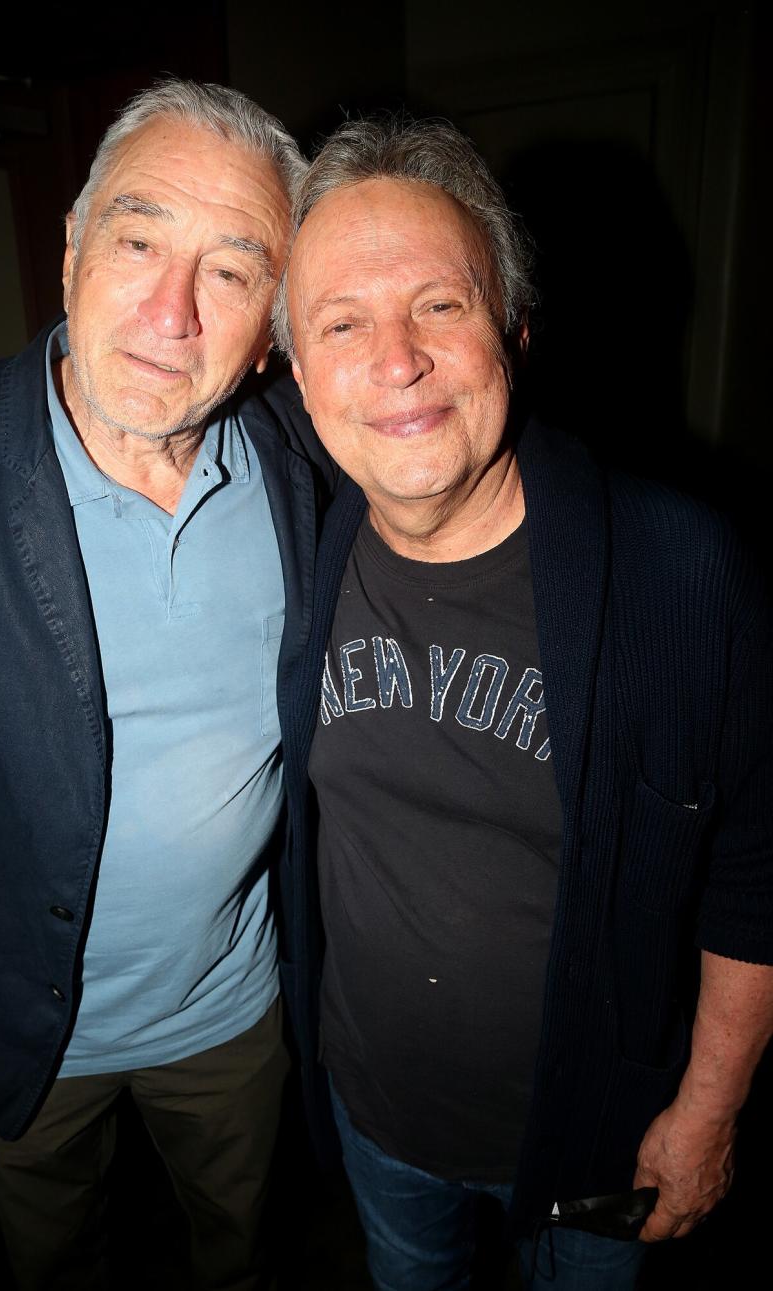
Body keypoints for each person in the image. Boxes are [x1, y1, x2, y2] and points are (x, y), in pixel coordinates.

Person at [0, 79, 329, 1291]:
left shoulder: (305, 464)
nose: (171, 312)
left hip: (235, 1013)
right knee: (54, 1261)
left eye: (232, 269)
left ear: (273, 326)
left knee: (240, 1252)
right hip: (17, 1022)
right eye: (140, 239)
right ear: (71, 253)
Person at [272, 117, 773, 1290]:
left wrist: (706, 1115)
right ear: (299, 373)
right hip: (376, 1118)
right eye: (342, 323)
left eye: (440, 305)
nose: (395, 360)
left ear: (516, 328)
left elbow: (756, 877)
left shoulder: (681, 573)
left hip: (599, 1138)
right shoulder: (298, 540)